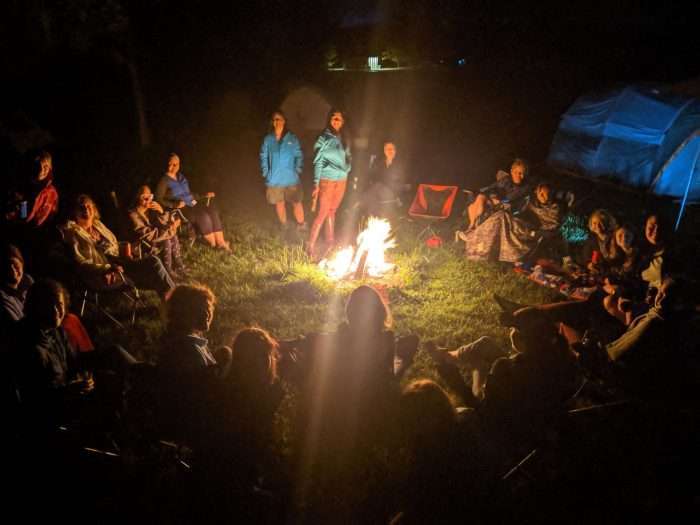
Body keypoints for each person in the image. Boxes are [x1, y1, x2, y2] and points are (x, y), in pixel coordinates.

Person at [157, 283, 231, 445]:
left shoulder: (180, 339)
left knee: (225, 352)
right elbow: (206, 391)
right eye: (199, 309)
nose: (206, 314)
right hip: (198, 419)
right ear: (183, 313)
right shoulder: (187, 349)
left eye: (209, 308)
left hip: (194, 406)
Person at [61, 194, 174, 297]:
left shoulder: (98, 225)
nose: (86, 209)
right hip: (104, 273)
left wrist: (125, 247)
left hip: (121, 262)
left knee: (154, 268)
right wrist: (108, 268)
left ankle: (172, 300)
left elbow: (113, 244)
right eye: (81, 207)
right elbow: (81, 262)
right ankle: (175, 299)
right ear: (74, 212)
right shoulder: (74, 233)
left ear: (94, 209)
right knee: (154, 266)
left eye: (89, 206)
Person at [156, 153, 231, 251]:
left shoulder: (180, 177)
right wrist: (174, 204)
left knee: (212, 211)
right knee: (202, 215)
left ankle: (220, 242)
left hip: (191, 203)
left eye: (175, 164)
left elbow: (188, 193)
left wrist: (203, 195)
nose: (171, 167)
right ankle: (213, 244)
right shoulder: (164, 181)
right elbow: (158, 199)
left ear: (178, 165)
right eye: (169, 164)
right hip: (181, 209)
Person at [308, 109, 351, 258]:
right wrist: (316, 183)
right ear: (329, 120)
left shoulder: (344, 138)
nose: (336, 120)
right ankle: (310, 247)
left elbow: (348, 156)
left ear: (343, 122)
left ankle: (330, 243)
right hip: (327, 180)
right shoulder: (323, 138)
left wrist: (347, 168)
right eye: (333, 118)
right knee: (322, 213)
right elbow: (318, 161)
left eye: (339, 118)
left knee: (332, 211)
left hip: (342, 180)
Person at [259, 110, 306, 233]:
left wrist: (297, 169)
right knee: (279, 203)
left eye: (279, 119)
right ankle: (284, 225)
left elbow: (298, 155)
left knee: (296, 202)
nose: (276, 122)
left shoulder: (291, 138)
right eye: (274, 120)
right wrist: (266, 173)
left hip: (291, 178)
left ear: (284, 121)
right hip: (275, 178)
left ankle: (301, 225)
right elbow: (263, 156)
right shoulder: (269, 139)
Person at [127, 185, 186, 279]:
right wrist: (170, 229)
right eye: (144, 197)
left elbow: (164, 224)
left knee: (171, 237)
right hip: (143, 245)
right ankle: (168, 268)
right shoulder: (133, 215)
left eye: (150, 196)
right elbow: (149, 235)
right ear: (137, 197)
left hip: (156, 238)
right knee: (167, 239)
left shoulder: (152, 209)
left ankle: (179, 264)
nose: (148, 200)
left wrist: (161, 212)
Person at [465, 158, 530, 231]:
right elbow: (492, 187)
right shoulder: (506, 179)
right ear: (511, 171)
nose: (518, 175)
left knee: (481, 198)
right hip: (496, 201)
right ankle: (473, 224)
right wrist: (478, 191)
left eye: (521, 173)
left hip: (508, 206)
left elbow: (511, 197)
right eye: (516, 172)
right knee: (477, 196)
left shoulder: (524, 187)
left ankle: (473, 224)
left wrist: (499, 200)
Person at [362, 140, 409, 219]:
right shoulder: (381, 163)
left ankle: (360, 205)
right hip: (381, 189)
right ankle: (371, 214)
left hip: (394, 190)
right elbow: (375, 176)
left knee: (375, 188)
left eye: (392, 149)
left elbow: (403, 181)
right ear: (384, 151)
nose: (390, 151)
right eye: (388, 149)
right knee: (374, 189)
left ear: (395, 151)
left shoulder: (400, 163)